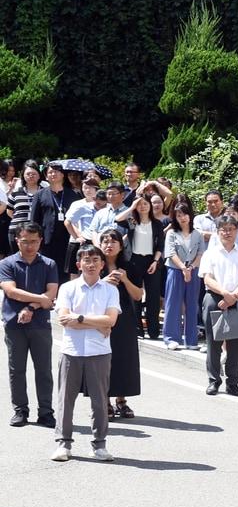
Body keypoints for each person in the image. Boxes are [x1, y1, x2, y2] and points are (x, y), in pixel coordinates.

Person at [51, 244, 121, 462]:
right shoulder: (68, 288)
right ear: (78, 264)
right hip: (71, 350)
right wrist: (96, 323)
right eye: (86, 260)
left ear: (102, 264)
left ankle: (99, 445)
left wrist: (79, 318)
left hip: (99, 351)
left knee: (100, 400)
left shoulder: (111, 290)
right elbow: (64, 319)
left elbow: (110, 321)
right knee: (65, 399)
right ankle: (64, 444)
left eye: (95, 260)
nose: (91, 265)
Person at [1, 221, 59, 428]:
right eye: (25, 241)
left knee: (43, 369)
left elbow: (52, 292)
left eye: (34, 241)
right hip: (13, 323)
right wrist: (41, 300)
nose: (30, 246)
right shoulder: (7, 263)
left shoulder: (49, 264)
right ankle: (20, 410)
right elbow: (11, 291)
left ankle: (46, 411)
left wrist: (32, 307)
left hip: (40, 323)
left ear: (40, 241)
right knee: (16, 369)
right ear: (17, 241)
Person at [199, 216, 238, 396]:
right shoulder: (210, 253)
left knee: (235, 344)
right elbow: (207, 278)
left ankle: (233, 383)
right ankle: (214, 381)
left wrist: (233, 296)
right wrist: (225, 294)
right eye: (224, 229)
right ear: (218, 231)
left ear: (236, 231)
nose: (227, 233)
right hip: (215, 298)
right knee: (213, 342)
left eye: (231, 229)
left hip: (237, 298)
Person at [93, 229, 143, 419]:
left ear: (121, 246)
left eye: (113, 241)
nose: (109, 245)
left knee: (123, 359)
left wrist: (125, 279)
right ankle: (104, 400)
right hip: (100, 317)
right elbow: (87, 290)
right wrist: (104, 281)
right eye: (105, 241)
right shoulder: (94, 266)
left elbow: (138, 295)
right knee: (102, 359)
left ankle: (121, 400)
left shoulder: (130, 266)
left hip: (125, 318)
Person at [116, 196, 163, 340]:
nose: (142, 206)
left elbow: (160, 245)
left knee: (153, 296)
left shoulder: (157, 224)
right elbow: (118, 219)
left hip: (151, 261)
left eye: (145, 204)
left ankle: (153, 330)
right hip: (134, 260)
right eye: (139, 204)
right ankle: (137, 329)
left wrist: (155, 261)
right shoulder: (132, 221)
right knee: (135, 295)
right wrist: (131, 207)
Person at [162, 202, 205, 350]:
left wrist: (191, 267)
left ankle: (191, 339)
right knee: (173, 303)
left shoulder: (197, 234)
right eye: (179, 215)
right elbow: (171, 253)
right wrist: (182, 268)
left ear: (190, 215)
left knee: (192, 304)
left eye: (185, 214)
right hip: (175, 270)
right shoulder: (171, 233)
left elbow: (201, 253)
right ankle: (171, 338)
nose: (182, 218)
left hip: (194, 270)